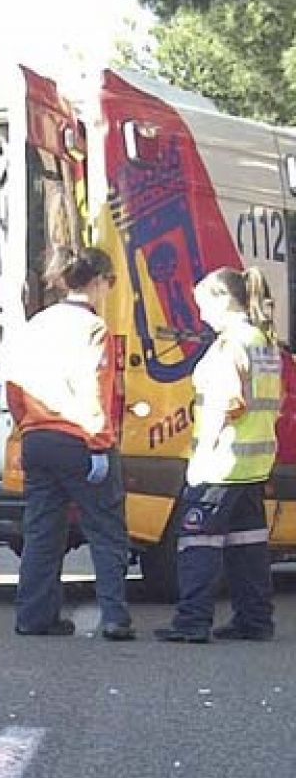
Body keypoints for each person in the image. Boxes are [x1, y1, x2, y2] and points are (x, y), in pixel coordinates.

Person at [4, 248, 135, 640]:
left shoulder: (35, 325)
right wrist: (99, 445)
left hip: (38, 439)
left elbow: (14, 387)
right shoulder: (94, 330)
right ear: (97, 282)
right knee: (107, 531)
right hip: (80, 439)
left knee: (42, 532)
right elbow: (97, 391)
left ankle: (34, 617)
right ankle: (114, 618)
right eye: (109, 284)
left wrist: (26, 424)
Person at [155, 267, 282, 643]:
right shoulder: (262, 341)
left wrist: (201, 460)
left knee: (199, 541)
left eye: (204, 305)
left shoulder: (230, 345)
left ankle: (192, 622)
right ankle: (254, 620)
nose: (201, 315)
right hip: (253, 464)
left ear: (224, 300)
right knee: (248, 545)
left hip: (222, 463)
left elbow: (227, 403)